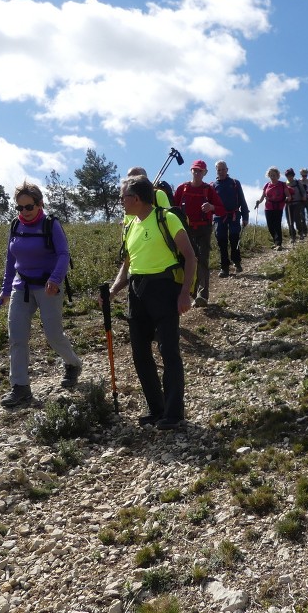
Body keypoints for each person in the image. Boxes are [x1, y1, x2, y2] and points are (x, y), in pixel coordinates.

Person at [104, 175, 196, 429]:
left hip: (165, 289)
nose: (121, 201)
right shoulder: (130, 225)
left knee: (169, 351)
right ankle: (156, 409)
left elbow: (190, 256)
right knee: (140, 353)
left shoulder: (167, 218)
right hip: (138, 292)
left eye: (123, 197)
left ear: (135, 198)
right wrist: (112, 291)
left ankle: (174, 413)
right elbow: (127, 266)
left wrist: (185, 293)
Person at [0, 181, 82, 408]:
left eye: (29, 207)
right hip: (21, 286)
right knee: (16, 337)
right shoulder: (16, 226)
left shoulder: (51, 224)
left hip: (47, 286)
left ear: (40, 204)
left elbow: (63, 254)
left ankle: (73, 364)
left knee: (54, 336)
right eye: (20, 208)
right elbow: (10, 261)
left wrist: (55, 280)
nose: (24, 212)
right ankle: (20, 388)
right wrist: (5, 290)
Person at [174, 160, 225, 307]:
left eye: (200, 171)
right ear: (191, 171)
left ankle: (202, 295)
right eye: (195, 170)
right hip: (185, 229)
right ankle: (189, 292)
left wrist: (211, 207)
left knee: (202, 260)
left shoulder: (209, 190)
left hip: (204, 229)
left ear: (205, 173)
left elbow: (221, 209)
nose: (197, 173)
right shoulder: (181, 188)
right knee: (185, 260)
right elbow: (172, 209)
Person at [211, 160, 250, 277]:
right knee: (221, 241)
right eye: (219, 170)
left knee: (234, 238)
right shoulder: (212, 186)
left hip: (234, 215)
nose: (221, 172)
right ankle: (224, 268)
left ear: (227, 170)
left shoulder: (235, 183)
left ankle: (237, 262)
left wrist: (245, 216)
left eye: (223, 169)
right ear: (216, 171)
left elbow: (242, 200)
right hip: (219, 217)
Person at [255, 167, 291, 250]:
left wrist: (288, 198)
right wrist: (259, 202)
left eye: (274, 175)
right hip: (268, 207)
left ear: (278, 176)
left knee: (277, 224)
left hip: (279, 207)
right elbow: (263, 196)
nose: (272, 177)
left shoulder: (282, 184)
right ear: (269, 176)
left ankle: (279, 244)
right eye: (271, 175)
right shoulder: (267, 185)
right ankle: (276, 242)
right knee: (270, 226)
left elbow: (288, 194)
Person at [284, 168, 308, 243]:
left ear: (293, 175)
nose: (289, 177)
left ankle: (300, 233)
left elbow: (303, 192)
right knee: (289, 221)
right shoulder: (285, 184)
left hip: (297, 203)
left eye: (291, 175)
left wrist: (304, 197)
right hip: (288, 204)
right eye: (288, 176)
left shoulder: (297, 183)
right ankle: (292, 236)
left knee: (297, 219)